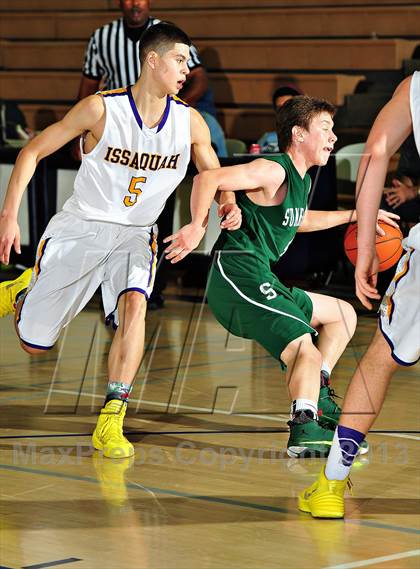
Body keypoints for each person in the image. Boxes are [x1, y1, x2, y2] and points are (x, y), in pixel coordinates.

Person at [0, 23, 241, 459]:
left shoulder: (190, 122)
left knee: (136, 305)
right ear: (153, 60)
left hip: (136, 235)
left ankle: (112, 417)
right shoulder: (100, 110)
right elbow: (32, 151)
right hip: (82, 227)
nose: (187, 70)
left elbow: (215, 175)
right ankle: (22, 289)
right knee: (34, 343)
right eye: (180, 60)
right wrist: (8, 215)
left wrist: (221, 208)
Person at [164, 95, 398, 457]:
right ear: (298, 134)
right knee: (305, 345)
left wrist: (356, 216)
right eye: (325, 128)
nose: (333, 137)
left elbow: (297, 222)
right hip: (236, 274)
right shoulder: (273, 169)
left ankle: (318, 395)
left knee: (343, 315)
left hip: (260, 276)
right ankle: (304, 427)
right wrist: (197, 227)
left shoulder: (301, 181)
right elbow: (206, 178)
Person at [298, 74, 419, 518]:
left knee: (381, 356)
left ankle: (330, 485)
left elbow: (376, 153)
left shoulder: (415, 87)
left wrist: (366, 245)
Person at [78, 0, 226, 308]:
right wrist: (83, 129)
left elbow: (198, 76)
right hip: (118, 132)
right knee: (107, 210)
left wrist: (172, 106)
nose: (136, 3)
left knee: (156, 208)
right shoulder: (102, 37)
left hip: (159, 135)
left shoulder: (170, 37)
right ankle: (96, 276)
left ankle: (149, 286)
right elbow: (89, 84)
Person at [382, 134, 420, 224]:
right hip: (414, 197)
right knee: (387, 202)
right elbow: (407, 175)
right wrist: (401, 190)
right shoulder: (412, 140)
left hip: (415, 193)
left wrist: (412, 192)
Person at [257, 85, 303, 153]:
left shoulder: (311, 137)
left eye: (287, 106)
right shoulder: (267, 140)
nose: (283, 111)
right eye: (279, 108)